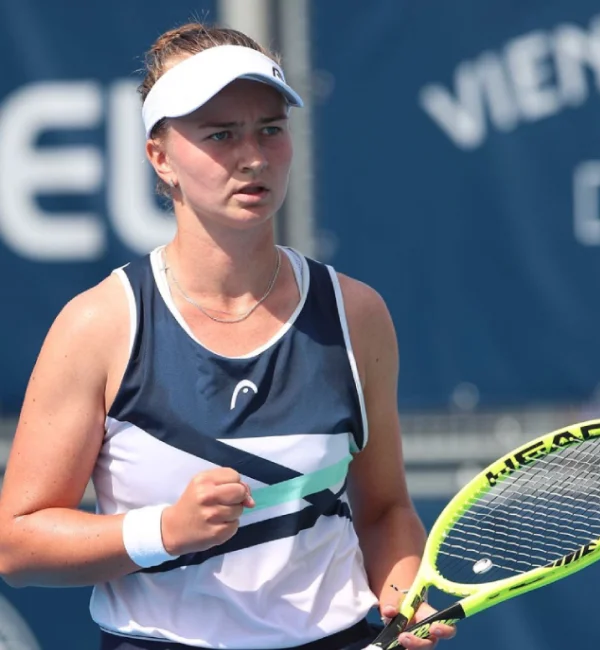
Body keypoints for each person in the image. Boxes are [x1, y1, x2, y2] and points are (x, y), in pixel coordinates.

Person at [0, 22, 455, 650]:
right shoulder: (99, 324)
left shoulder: (356, 313)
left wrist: (402, 595)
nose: (253, 157)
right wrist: (164, 531)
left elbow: (383, 511)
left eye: (270, 129)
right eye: (220, 134)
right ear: (160, 157)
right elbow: (16, 543)